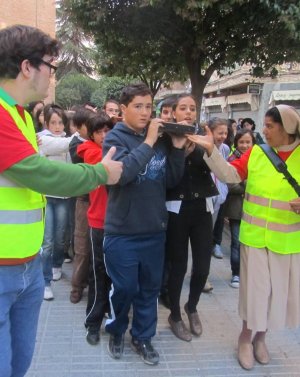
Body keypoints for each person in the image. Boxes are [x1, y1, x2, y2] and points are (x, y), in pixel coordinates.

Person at [0, 24, 122, 377]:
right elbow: (41, 174)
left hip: (26, 265)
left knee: (19, 363)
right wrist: (101, 172)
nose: (52, 76)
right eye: (51, 67)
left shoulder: (20, 114)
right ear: (27, 67)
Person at [187, 104, 300, 371]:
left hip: (288, 241)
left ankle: (262, 338)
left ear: (287, 129)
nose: (264, 131)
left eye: (270, 126)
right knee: (256, 294)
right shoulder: (257, 153)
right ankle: (246, 339)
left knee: (275, 295)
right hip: (254, 239)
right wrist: (211, 150)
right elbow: (229, 175)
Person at [103, 83, 186, 365]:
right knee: (125, 287)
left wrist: (175, 149)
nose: (145, 112)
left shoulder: (161, 139)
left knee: (149, 290)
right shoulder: (113, 138)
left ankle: (143, 337)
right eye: (138, 106)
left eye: (149, 106)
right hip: (122, 232)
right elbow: (122, 175)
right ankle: (116, 330)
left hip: (154, 230)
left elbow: (171, 181)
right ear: (123, 109)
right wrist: (149, 141)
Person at [165, 94, 219, 342]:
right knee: (178, 266)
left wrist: (209, 147)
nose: (188, 112)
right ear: (173, 112)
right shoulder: (166, 137)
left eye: (192, 108)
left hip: (202, 207)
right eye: (183, 108)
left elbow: (219, 168)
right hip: (176, 208)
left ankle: (192, 306)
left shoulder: (204, 136)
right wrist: (180, 153)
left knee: (202, 267)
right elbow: (166, 176)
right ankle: (175, 314)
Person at [77, 112, 113, 345]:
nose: (104, 135)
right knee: (98, 275)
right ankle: (93, 322)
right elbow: (104, 164)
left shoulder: (114, 148)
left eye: (107, 131)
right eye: (99, 132)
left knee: (115, 275)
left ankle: (112, 314)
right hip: (99, 222)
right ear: (91, 135)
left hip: (120, 223)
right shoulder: (88, 150)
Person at [39, 104, 73, 300]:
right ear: (46, 123)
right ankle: (45, 282)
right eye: (53, 122)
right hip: (46, 196)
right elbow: (60, 145)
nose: (57, 126)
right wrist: (75, 139)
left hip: (64, 196)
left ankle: (57, 264)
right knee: (48, 241)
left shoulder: (68, 141)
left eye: (61, 122)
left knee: (61, 238)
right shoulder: (42, 139)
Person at [223, 129, 255, 288]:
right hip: (236, 210)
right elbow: (230, 185)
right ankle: (236, 272)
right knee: (235, 242)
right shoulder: (231, 159)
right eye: (241, 142)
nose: (244, 145)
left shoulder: (258, 159)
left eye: (248, 142)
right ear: (236, 143)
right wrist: (247, 184)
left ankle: (248, 273)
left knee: (249, 244)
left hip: (254, 211)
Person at [69, 107, 94, 304]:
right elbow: (82, 159)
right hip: (84, 199)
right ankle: (77, 286)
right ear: (79, 127)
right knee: (82, 245)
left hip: (102, 199)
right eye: (90, 125)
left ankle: (93, 284)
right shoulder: (76, 144)